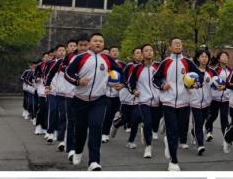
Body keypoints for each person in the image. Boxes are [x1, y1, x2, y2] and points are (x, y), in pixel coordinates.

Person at [64, 32, 124, 171]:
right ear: (90, 43)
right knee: (80, 130)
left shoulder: (107, 59)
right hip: (80, 99)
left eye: (101, 41)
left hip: (99, 100)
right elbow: (68, 73)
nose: (98, 43)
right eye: (95, 41)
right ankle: (78, 151)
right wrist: (78, 81)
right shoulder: (81, 58)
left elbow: (120, 71)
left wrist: (121, 82)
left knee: (96, 127)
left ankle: (94, 161)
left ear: (103, 45)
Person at [152, 38, 203, 171]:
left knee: (181, 130)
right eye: (175, 43)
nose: (178, 45)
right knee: (173, 130)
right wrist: (162, 85)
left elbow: (200, 76)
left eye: (180, 43)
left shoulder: (187, 62)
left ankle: (168, 141)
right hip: (168, 101)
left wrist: (197, 83)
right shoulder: (165, 62)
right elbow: (155, 79)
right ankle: (173, 162)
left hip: (185, 102)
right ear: (170, 47)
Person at [128, 43, 161, 159]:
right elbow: (130, 83)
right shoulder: (137, 68)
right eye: (146, 51)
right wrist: (134, 90)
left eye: (151, 50)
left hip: (158, 101)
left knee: (154, 124)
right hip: (143, 100)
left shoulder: (159, 66)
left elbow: (165, 79)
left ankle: (148, 133)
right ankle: (148, 146)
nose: (149, 52)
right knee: (147, 122)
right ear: (142, 54)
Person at [189, 47, 216, 155]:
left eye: (206, 57)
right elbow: (186, 84)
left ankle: (193, 132)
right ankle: (200, 145)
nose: (204, 59)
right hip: (194, 102)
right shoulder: (192, 72)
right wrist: (191, 85)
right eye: (202, 57)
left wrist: (220, 87)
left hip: (207, 102)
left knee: (203, 122)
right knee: (198, 123)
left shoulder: (212, 72)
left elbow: (218, 84)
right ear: (198, 58)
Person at [206, 51, 231, 140]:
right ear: (219, 59)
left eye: (227, 57)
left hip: (226, 99)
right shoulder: (215, 70)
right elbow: (211, 82)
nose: (225, 58)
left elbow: (231, 84)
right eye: (223, 56)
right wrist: (216, 86)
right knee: (213, 115)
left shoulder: (230, 71)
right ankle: (208, 128)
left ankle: (227, 138)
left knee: (224, 118)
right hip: (215, 99)